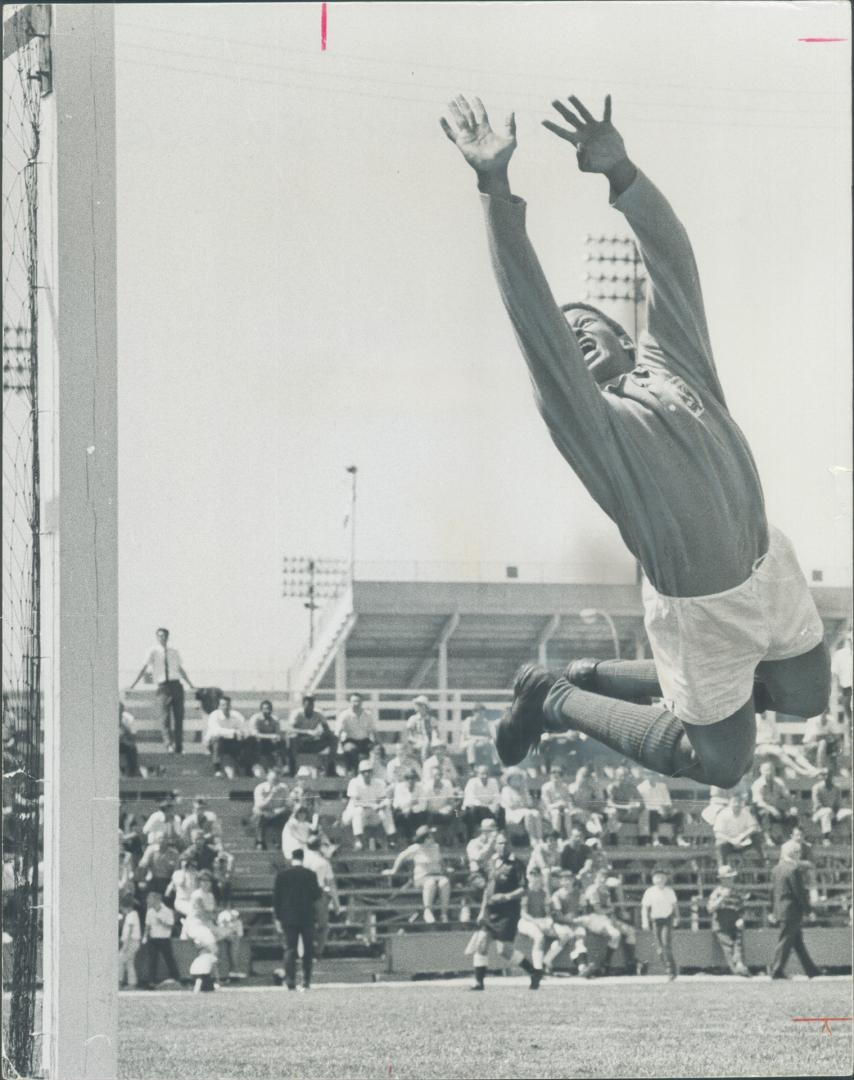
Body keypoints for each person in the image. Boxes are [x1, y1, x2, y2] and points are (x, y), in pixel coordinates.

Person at [439, 93, 830, 789]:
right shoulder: (594, 426)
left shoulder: (677, 364)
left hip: (770, 565)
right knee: (720, 764)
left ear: (624, 336)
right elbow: (533, 313)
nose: (570, 331)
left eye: (584, 322)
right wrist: (495, 189)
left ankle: (590, 675)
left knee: (807, 698)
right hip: (700, 606)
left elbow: (674, 263)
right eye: (565, 335)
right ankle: (554, 696)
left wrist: (624, 175)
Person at [466, 832, 542, 990]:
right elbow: (487, 889)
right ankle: (479, 982)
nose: (503, 846)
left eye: (506, 843)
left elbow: (524, 889)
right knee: (481, 943)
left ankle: (534, 972)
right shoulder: (491, 862)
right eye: (500, 843)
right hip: (490, 911)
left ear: (510, 846)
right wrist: (482, 911)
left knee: (504, 950)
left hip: (508, 912)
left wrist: (506, 897)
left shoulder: (517, 865)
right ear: (495, 846)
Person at [128, 627, 195, 754]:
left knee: (179, 717)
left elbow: (180, 668)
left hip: (176, 685)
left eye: (164, 635)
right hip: (163, 686)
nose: (162, 638)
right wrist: (133, 685)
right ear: (157, 637)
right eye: (159, 635)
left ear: (168, 637)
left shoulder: (174, 651)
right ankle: (168, 744)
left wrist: (190, 684)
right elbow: (144, 668)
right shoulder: (152, 651)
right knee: (164, 718)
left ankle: (179, 746)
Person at [768, 839, 820, 979]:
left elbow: (772, 892)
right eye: (798, 852)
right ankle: (776, 970)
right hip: (791, 911)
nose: (799, 855)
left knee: (797, 943)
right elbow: (799, 893)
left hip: (781, 910)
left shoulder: (776, 869)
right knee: (785, 941)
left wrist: (771, 910)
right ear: (794, 853)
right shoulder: (793, 869)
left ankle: (812, 971)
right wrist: (808, 911)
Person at [272, 848, 322, 991]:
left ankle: (290, 981)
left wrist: (277, 918)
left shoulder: (282, 876)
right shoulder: (310, 874)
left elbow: (276, 899)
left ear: (291, 858)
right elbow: (316, 895)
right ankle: (306, 981)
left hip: (288, 917)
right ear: (303, 858)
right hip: (307, 917)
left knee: (290, 949)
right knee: (308, 949)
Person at [383, 825, 451, 924]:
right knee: (430, 883)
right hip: (422, 877)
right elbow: (401, 857)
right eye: (430, 836)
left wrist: (446, 869)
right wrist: (394, 870)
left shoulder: (436, 847)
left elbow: (441, 861)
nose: (432, 837)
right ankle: (428, 911)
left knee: (445, 882)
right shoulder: (415, 848)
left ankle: (444, 913)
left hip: (437, 874)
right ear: (425, 838)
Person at [581, 868, 640, 976]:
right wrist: (612, 910)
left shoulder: (605, 890)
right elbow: (598, 909)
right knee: (615, 934)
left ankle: (630, 964)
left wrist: (613, 915)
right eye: (600, 877)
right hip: (594, 918)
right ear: (595, 877)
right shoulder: (593, 889)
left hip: (606, 918)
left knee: (630, 931)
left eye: (605, 877)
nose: (603, 879)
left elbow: (608, 909)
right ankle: (605, 964)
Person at [542, 870, 590, 976]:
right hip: (559, 923)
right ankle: (546, 962)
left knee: (580, 935)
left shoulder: (579, 894)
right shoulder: (557, 896)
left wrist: (582, 919)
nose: (567, 882)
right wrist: (573, 921)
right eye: (564, 880)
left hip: (574, 922)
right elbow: (558, 917)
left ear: (573, 880)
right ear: (560, 882)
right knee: (565, 936)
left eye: (569, 879)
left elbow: (584, 910)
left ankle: (582, 967)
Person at [706, 865, 750, 977]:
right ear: (721, 879)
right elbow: (710, 908)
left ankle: (740, 965)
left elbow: (743, 907)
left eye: (731, 877)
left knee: (738, 943)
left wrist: (742, 918)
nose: (730, 880)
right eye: (727, 878)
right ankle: (737, 969)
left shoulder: (737, 891)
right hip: (721, 920)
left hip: (734, 918)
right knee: (728, 945)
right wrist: (722, 898)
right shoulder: (717, 892)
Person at [343, 759, 396, 851]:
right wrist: (372, 805)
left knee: (386, 810)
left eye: (369, 771)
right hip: (353, 815)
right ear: (360, 772)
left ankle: (392, 839)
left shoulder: (379, 783)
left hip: (372, 814)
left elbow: (383, 799)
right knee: (358, 811)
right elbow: (356, 802)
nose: (367, 774)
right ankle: (358, 841)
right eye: (364, 772)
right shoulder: (354, 782)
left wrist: (383, 804)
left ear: (372, 772)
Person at [302, 834, 340, 958]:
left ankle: (304, 951)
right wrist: (336, 903)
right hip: (319, 894)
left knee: (304, 925)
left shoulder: (301, 859)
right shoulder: (323, 862)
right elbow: (332, 884)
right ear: (319, 847)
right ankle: (318, 952)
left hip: (303, 894)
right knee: (322, 926)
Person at [754, 711, 820, 778]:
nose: (764, 713)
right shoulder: (756, 721)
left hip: (773, 745)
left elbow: (776, 737)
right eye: (762, 711)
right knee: (779, 751)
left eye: (765, 711)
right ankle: (801, 772)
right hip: (760, 746)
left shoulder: (769, 722)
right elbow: (754, 740)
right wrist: (769, 742)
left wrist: (775, 742)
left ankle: (812, 769)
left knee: (794, 751)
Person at [640, 867, 679, 979]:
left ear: (666, 878)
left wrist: (677, 917)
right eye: (657, 877)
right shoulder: (650, 892)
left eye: (662, 877)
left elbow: (675, 906)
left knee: (666, 943)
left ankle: (671, 970)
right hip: (656, 921)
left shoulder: (669, 891)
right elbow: (645, 908)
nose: (660, 880)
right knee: (659, 948)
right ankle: (669, 968)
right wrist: (645, 922)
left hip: (667, 919)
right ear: (653, 879)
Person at [288, 694, 338, 778]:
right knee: (292, 738)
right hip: (300, 744)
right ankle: (292, 771)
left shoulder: (318, 714)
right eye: (308, 705)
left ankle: (330, 769)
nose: (310, 707)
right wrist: (307, 732)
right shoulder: (297, 714)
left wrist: (321, 733)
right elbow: (291, 730)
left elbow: (327, 730)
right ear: (303, 705)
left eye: (312, 705)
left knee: (333, 738)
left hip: (313, 743)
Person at [750, 761, 798, 846]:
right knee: (766, 814)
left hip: (774, 808)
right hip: (760, 810)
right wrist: (772, 809)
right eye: (766, 770)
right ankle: (767, 838)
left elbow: (787, 796)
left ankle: (789, 837)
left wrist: (792, 807)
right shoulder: (757, 784)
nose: (769, 772)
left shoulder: (779, 782)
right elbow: (758, 802)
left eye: (771, 770)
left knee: (791, 816)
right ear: (761, 771)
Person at [142, 891, 182, 988]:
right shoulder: (150, 912)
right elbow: (147, 925)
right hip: (153, 939)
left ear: (157, 900)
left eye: (150, 899)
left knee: (169, 959)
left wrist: (162, 922)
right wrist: (145, 936)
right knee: (152, 961)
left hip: (164, 939)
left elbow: (171, 926)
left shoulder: (167, 911)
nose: (148, 901)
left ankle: (176, 979)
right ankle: (151, 982)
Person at [712, 792, 764, 866]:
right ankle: (723, 870)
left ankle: (762, 866)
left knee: (756, 837)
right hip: (728, 843)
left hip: (743, 841)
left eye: (739, 802)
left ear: (742, 804)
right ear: (730, 803)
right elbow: (718, 834)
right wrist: (732, 840)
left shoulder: (745, 812)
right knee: (720, 844)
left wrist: (741, 837)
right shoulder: (723, 814)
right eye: (734, 802)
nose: (736, 804)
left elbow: (753, 827)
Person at [636, 771, 687, 847]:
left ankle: (679, 839)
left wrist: (666, 810)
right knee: (652, 813)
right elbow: (644, 805)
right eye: (649, 774)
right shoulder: (641, 788)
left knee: (679, 814)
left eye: (653, 774)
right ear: (645, 776)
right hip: (650, 814)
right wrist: (658, 809)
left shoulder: (662, 786)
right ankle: (655, 840)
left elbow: (667, 802)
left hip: (664, 812)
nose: (651, 776)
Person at [203, 695, 246, 778]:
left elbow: (242, 730)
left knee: (245, 741)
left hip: (230, 742)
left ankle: (243, 767)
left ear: (230, 706)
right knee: (218, 740)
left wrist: (237, 734)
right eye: (223, 705)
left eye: (227, 705)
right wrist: (233, 732)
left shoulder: (237, 716)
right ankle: (217, 769)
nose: (225, 707)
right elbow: (216, 731)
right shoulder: (214, 715)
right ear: (219, 706)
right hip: (213, 742)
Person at [336, 693, 377, 775]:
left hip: (365, 741)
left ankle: (369, 774)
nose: (356, 703)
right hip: (350, 741)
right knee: (351, 750)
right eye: (354, 701)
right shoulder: (344, 715)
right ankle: (352, 772)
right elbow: (338, 732)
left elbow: (374, 731)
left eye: (358, 701)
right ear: (350, 702)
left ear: (362, 702)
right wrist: (338, 747)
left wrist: (378, 744)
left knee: (373, 752)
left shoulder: (368, 715)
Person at [500, 768, 543, 844]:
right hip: (512, 813)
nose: (517, 781)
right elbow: (511, 805)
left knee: (536, 813)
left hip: (524, 811)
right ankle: (531, 838)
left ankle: (539, 837)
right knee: (528, 814)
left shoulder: (524, 790)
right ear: (509, 781)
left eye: (518, 779)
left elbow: (530, 803)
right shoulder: (506, 790)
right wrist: (523, 804)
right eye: (514, 779)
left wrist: (523, 803)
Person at [252, 768, 291, 850]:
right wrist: (272, 794)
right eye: (273, 779)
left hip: (278, 813)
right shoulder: (260, 788)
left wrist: (280, 810)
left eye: (277, 779)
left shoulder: (284, 788)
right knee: (258, 815)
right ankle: (260, 842)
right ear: (268, 778)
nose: (275, 781)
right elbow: (259, 805)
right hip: (264, 813)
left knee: (287, 816)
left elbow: (288, 805)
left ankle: (280, 842)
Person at [245, 699, 288, 774]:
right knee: (251, 740)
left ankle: (283, 765)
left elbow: (277, 734)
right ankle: (251, 766)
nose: (267, 711)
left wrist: (275, 737)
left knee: (282, 741)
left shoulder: (275, 720)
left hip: (270, 742)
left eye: (269, 709)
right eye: (265, 709)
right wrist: (270, 736)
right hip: (257, 742)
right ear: (261, 709)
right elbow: (255, 734)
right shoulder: (255, 718)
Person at [810, 770, 852, 846]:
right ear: (822, 777)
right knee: (827, 811)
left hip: (833, 813)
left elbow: (838, 804)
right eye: (825, 775)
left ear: (832, 777)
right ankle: (826, 838)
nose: (827, 777)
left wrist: (835, 814)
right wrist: (832, 812)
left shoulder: (837, 788)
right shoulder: (816, 787)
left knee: (849, 812)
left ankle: (851, 836)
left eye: (829, 775)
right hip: (818, 814)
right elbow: (817, 804)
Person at [604, 765, 642, 846]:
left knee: (642, 812)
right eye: (621, 775)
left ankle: (643, 841)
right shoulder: (612, 787)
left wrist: (636, 805)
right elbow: (610, 804)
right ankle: (613, 839)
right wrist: (625, 807)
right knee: (612, 812)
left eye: (625, 775)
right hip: (618, 813)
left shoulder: (632, 787)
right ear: (617, 776)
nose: (623, 778)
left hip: (630, 814)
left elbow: (640, 801)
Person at [461, 765, 503, 838]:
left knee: (501, 810)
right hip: (474, 809)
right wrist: (486, 806)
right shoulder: (472, 782)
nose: (485, 776)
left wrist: (494, 805)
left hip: (489, 809)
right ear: (477, 774)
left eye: (487, 773)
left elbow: (497, 796)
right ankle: (471, 837)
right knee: (473, 810)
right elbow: (471, 799)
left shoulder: (493, 781)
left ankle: (500, 836)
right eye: (482, 774)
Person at [539, 765, 577, 839]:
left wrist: (570, 807)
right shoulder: (546, 787)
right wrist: (558, 804)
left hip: (563, 810)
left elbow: (568, 800)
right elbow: (547, 804)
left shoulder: (564, 787)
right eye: (553, 777)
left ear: (561, 778)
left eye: (558, 777)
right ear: (550, 777)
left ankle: (569, 836)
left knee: (567, 812)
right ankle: (556, 837)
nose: (555, 779)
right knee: (556, 813)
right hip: (549, 811)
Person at [391, 768, 429, 842]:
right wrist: (410, 804)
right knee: (402, 816)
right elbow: (396, 804)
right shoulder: (399, 787)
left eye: (412, 778)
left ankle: (415, 839)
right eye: (407, 778)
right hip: (402, 812)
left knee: (421, 815)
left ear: (415, 779)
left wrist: (411, 809)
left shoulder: (420, 788)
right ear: (405, 779)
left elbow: (423, 805)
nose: (410, 781)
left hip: (416, 813)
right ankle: (408, 839)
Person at [460, 703, 498, 769]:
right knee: (471, 743)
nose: (481, 716)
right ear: (474, 713)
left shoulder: (486, 722)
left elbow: (492, 735)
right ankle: (472, 764)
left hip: (482, 742)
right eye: (480, 714)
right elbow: (467, 736)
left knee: (492, 743)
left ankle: (495, 763)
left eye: (483, 714)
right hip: (468, 742)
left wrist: (485, 740)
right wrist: (479, 739)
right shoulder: (468, 721)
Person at [118, 895, 142, 989]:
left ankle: (120, 982)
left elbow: (130, 932)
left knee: (120, 960)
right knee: (129, 962)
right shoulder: (133, 914)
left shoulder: (131, 915)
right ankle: (131, 983)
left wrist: (125, 945)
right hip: (133, 942)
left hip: (131, 942)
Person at [405, 695, 438, 761]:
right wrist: (415, 740)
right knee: (425, 745)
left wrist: (434, 739)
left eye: (420, 705)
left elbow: (435, 732)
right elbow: (408, 734)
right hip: (416, 740)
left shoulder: (431, 719)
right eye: (417, 705)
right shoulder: (413, 719)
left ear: (425, 707)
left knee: (430, 745)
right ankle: (424, 763)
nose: (418, 707)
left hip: (429, 741)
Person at [119, 702, 141, 778]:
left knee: (132, 748)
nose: (119, 712)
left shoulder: (125, 720)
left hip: (123, 745)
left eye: (121, 710)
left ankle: (132, 774)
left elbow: (131, 736)